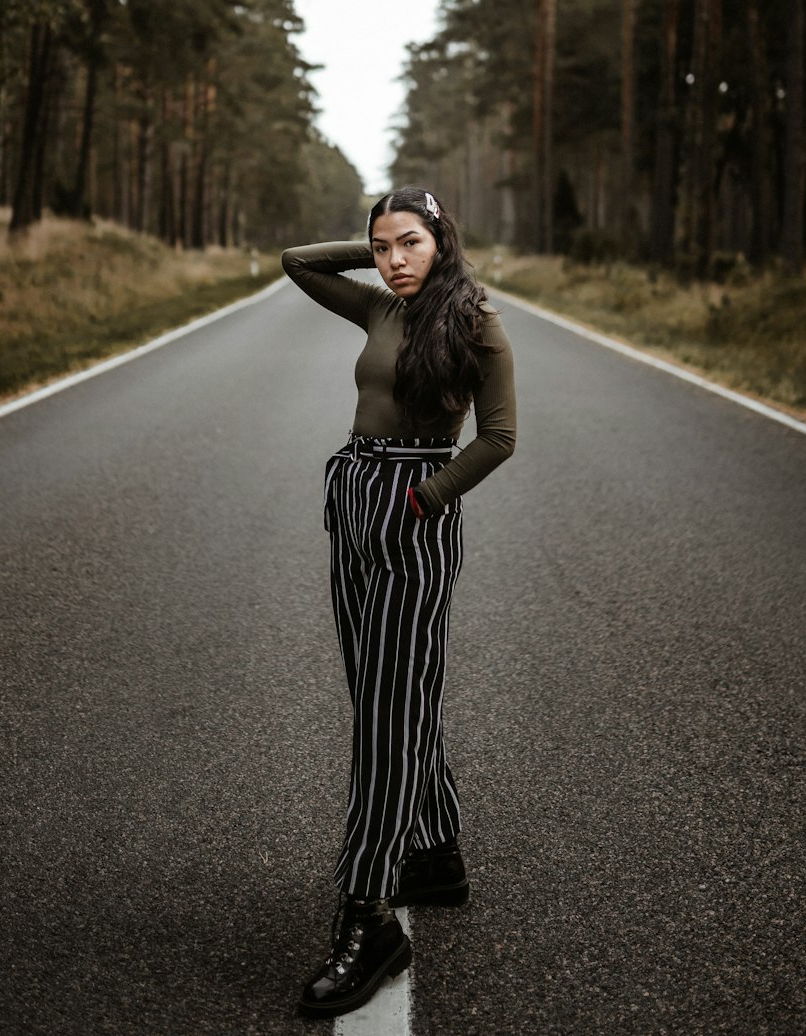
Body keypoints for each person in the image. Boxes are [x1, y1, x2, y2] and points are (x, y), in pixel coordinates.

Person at [281, 186, 516, 1019]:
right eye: (383, 247)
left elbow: (499, 437)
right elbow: (296, 263)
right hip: (352, 499)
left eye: (411, 243)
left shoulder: (474, 321)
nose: (393, 260)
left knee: (389, 709)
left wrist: (425, 499)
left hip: (415, 510)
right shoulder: (378, 308)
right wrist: (369, 237)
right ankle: (437, 852)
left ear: (442, 240)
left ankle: (369, 912)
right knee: (382, 693)